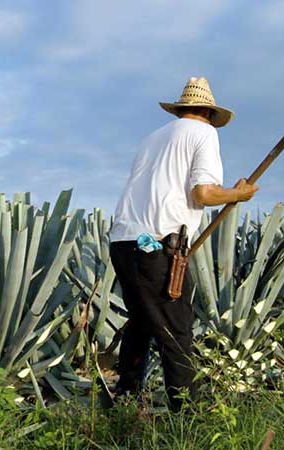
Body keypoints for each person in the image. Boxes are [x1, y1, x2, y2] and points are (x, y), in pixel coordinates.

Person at [108, 76, 258, 412]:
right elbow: (202, 193)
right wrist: (239, 194)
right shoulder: (204, 133)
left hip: (122, 240)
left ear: (182, 110)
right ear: (207, 111)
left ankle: (126, 398)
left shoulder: (152, 139)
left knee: (142, 321)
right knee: (176, 330)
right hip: (159, 244)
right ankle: (188, 415)